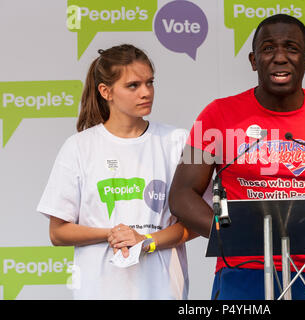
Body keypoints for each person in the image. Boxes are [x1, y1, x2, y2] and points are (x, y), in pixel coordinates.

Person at [169, 14, 305, 300]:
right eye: (268, 48)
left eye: (291, 48)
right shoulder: (216, 115)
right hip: (241, 269)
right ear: (254, 61)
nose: (280, 57)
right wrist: (236, 236)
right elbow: (181, 195)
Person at [37, 44, 196, 299]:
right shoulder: (78, 147)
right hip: (98, 290)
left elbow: (196, 223)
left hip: (164, 290)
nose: (146, 92)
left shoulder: (179, 141)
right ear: (105, 91)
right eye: (133, 85)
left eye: (150, 82)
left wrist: (146, 241)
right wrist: (112, 234)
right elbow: (57, 232)